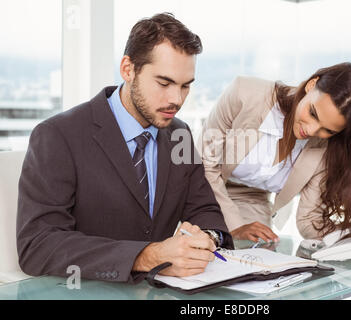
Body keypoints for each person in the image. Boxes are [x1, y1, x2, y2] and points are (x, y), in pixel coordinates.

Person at [16, 13, 233, 284]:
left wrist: (207, 239)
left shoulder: (180, 134)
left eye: (185, 86)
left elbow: (206, 212)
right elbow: (38, 245)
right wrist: (146, 256)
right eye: (164, 83)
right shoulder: (57, 136)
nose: (176, 99)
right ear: (128, 69)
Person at [199, 62, 351, 258]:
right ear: (312, 84)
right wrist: (234, 225)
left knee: (253, 268)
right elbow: (205, 166)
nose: (310, 130)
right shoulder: (244, 93)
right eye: (312, 113)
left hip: (253, 203)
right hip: (201, 190)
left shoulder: (325, 150)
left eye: (327, 130)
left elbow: (310, 221)